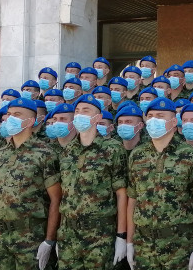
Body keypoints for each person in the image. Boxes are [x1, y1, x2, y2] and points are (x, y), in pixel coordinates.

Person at [126, 97, 193, 270]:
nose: (154, 120)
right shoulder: (137, 155)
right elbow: (132, 200)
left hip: (179, 244)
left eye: (160, 115)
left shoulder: (191, 155)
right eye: (150, 116)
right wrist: (129, 241)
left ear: (173, 122)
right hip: (144, 244)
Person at [0, 97, 62, 270]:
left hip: (30, 237)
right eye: (8, 114)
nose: (10, 118)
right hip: (1, 236)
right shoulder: (0, 154)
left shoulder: (45, 153)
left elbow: (56, 199)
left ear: (30, 121)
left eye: (16, 114)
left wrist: (49, 240)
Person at [58, 95, 129, 270]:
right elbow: (64, 194)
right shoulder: (67, 151)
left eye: (86, 110)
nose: (79, 114)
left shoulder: (112, 148)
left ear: (97, 118)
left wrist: (121, 235)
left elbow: (121, 194)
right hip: (68, 234)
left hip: (100, 234)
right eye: (77, 111)